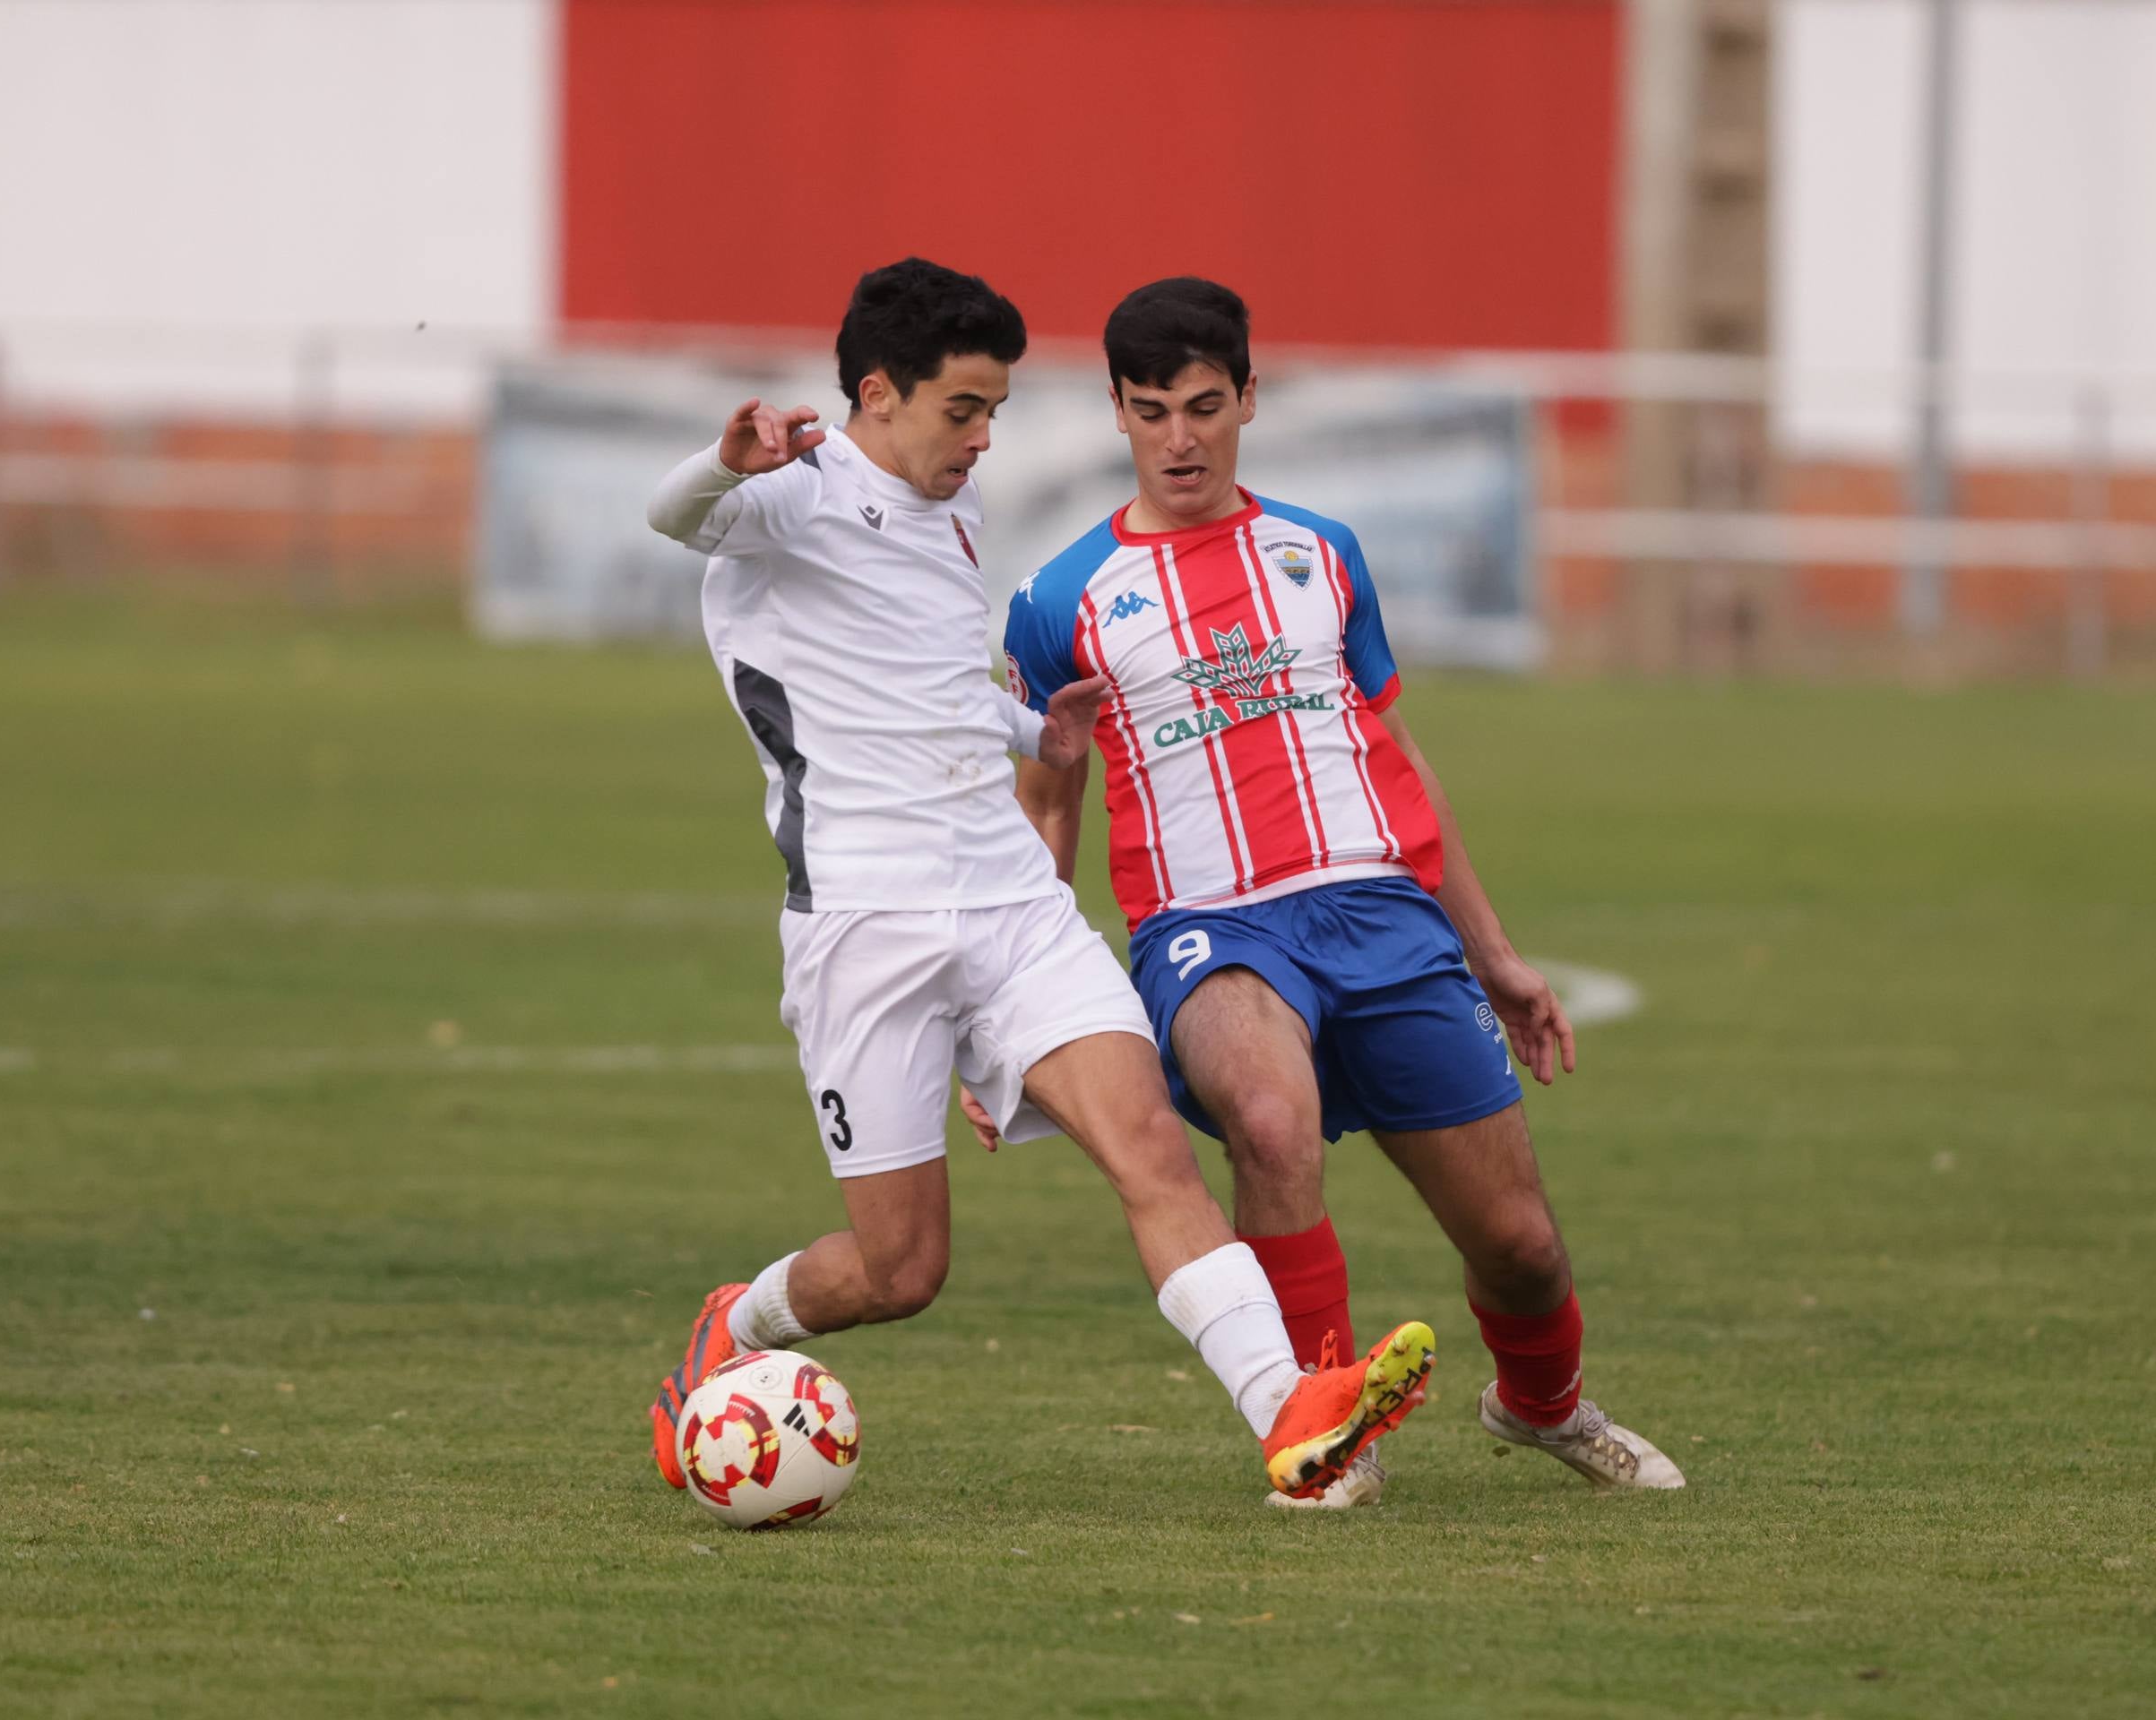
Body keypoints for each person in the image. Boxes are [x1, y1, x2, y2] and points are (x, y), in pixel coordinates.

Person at [642, 259, 1435, 1503]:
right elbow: (673, 519)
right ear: (879, 392)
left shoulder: (952, 519)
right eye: (963, 409)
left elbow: (935, 689)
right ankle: (738, 1323)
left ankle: (1292, 1421)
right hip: (866, 923)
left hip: (1011, 903)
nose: (982, 437)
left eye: (996, 412)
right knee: (901, 1273)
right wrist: (723, 458)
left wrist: (1038, 739)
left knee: (1153, 1156)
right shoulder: (786, 496)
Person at [988, 276, 1683, 1508]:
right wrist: (1011, 1014)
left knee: (1518, 1248)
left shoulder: (1321, 555)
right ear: (1116, 412)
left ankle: (1543, 1407)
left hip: (1379, 912)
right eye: (1151, 412)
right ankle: (1324, 1433)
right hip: (1208, 931)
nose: (1180, 439)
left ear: (1249, 397)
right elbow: (1049, 803)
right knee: (1267, 1120)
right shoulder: (1060, 602)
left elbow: (1397, 761)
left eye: (1204, 406)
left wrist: (1497, 955)